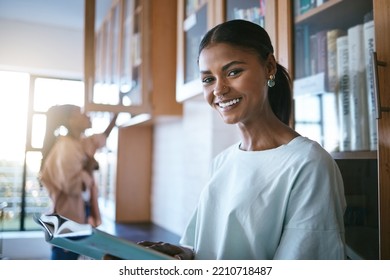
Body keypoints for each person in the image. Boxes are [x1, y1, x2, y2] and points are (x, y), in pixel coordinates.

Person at [139, 19, 346, 260]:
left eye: (233, 72)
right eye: (208, 79)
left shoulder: (308, 163)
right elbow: (211, 248)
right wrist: (182, 254)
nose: (219, 89)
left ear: (269, 67)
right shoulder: (222, 162)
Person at [39, 104, 117, 260]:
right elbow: (73, 186)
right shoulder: (66, 147)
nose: (87, 115)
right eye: (80, 113)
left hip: (76, 214)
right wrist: (88, 167)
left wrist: (116, 115)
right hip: (67, 217)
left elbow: (101, 138)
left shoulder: (80, 142)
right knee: (64, 257)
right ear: (70, 121)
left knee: (71, 255)